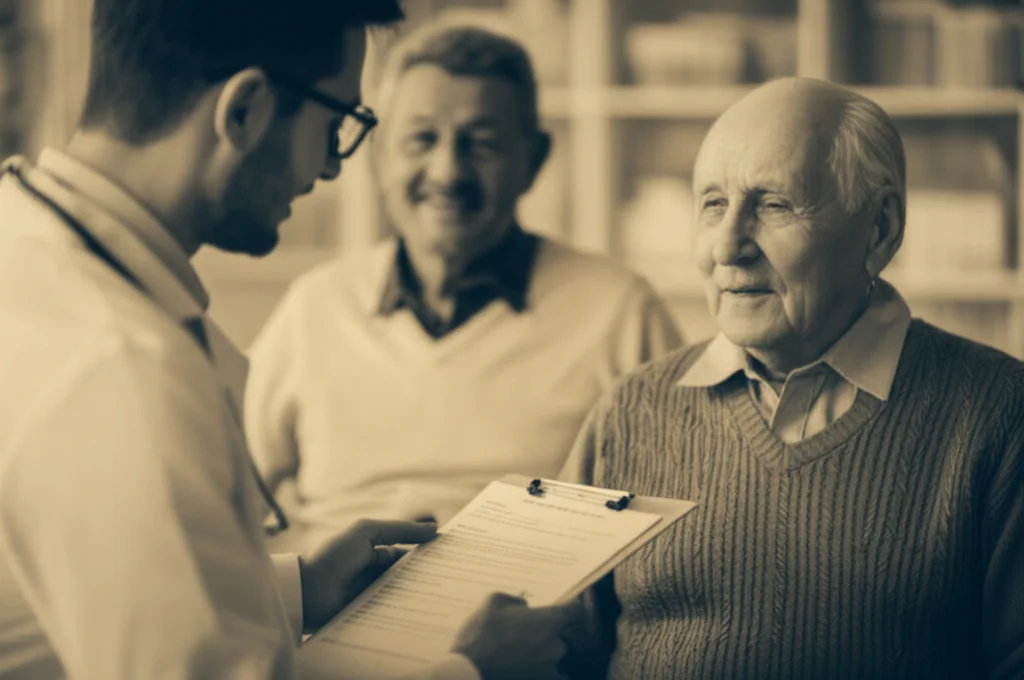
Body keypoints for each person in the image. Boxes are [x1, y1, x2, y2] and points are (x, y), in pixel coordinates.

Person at [0, 2, 578, 679]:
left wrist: (297, 589)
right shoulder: (125, 370)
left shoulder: (29, 258)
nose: (333, 167)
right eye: (337, 124)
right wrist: (474, 670)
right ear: (244, 110)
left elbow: (78, 597)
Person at [558, 77, 1024, 679]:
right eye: (713, 205)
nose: (728, 247)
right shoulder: (631, 408)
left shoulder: (999, 414)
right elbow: (556, 652)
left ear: (879, 229)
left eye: (774, 205)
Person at [244, 23, 683, 551]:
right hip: (330, 602)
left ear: (535, 160)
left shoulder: (621, 311)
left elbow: (675, 520)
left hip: (529, 602)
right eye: (422, 139)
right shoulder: (314, 306)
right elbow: (226, 492)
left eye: (481, 144)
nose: (448, 171)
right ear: (380, 155)